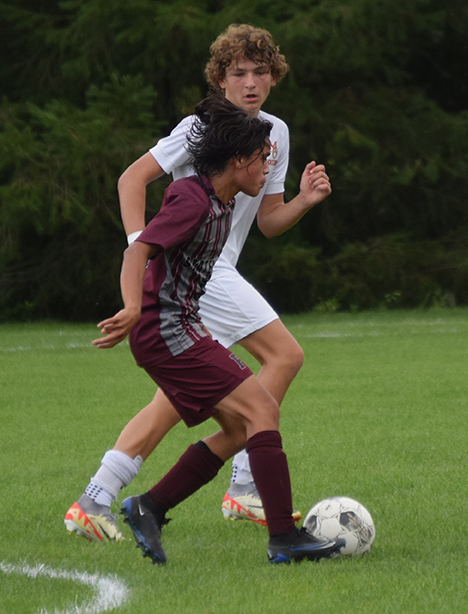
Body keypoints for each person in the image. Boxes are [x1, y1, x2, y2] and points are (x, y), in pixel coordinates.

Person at [64, 24, 332, 543]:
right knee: (284, 357)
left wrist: (303, 201)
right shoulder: (199, 128)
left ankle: (95, 498)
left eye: (260, 72)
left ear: (274, 77)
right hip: (201, 276)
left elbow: (269, 221)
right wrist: (144, 246)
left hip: (209, 275)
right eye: (239, 73)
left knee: (174, 399)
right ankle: (246, 484)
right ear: (220, 80)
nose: (250, 83)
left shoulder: (274, 133)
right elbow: (131, 179)